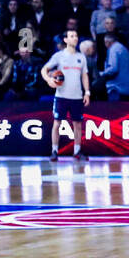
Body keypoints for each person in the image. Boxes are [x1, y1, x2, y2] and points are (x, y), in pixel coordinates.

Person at [41, 30, 90, 161]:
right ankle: (54, 151)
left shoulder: (81, 57)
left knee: (78, 124)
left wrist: (87, 92)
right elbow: (44, 69)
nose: (75, 38)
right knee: (57, 123)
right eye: (72, 36)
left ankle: (77, 151)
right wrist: (49, 80)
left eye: (76, 36)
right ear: (65, 40)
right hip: (61, 96)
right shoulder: (59, 56)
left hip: (77, 97)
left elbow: (85, 75)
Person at [99, 31, 129, 101]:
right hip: (127, 88)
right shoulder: (123, 48)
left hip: (117, 89)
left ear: (107, 42)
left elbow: (113, 69)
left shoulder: (113, 50)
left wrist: (100, 74)